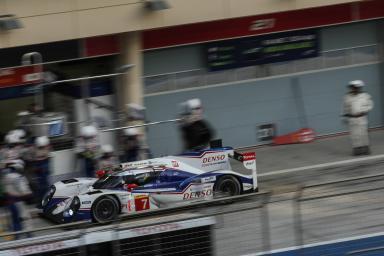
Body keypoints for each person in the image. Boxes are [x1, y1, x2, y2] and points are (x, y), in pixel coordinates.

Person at [342, 80, 374, 156]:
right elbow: (344, 108)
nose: (354, 89)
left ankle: (366, 149)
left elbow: (370, 105)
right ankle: (357, 150)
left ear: (360, 88)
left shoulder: (365, 95)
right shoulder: (347, 97)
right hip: (352, 118)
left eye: (356, 88)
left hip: (362, 118)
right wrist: (344, 117)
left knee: (364, 134)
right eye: (352, 88)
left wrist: (364, 111)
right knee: (354, 135)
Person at [1, 160, 33, 232]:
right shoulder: (19, 177)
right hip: (19, 202)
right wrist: (30, 194)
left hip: (10, 203)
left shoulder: (6, 176)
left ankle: (17, 237)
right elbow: (25, 191)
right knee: (26, 221)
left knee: (15, 221)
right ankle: (29, 238)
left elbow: (5, 190)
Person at [27, 136, 51, 203]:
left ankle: (44, 199)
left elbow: (46, 155)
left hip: (43, 164)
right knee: (41, 184)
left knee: (44, 183)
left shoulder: (46, 146)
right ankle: (41, 199)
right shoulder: (33, 148)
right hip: (39, 164)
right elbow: (31, 158)